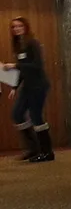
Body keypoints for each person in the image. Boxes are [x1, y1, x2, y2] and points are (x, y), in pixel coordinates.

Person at [6, 17, 53, 162]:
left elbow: (37, 66)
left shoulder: (33, 43)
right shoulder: (19, 46)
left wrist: (15, 66)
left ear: (25, 27)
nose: (16, 29)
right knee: (17, 114)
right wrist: (14, 86)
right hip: (27, 86)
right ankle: (34, 149)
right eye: (14, 27)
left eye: (19, 26)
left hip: (38, 85)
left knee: (36, 116)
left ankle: (47, 152)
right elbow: (22, 71)